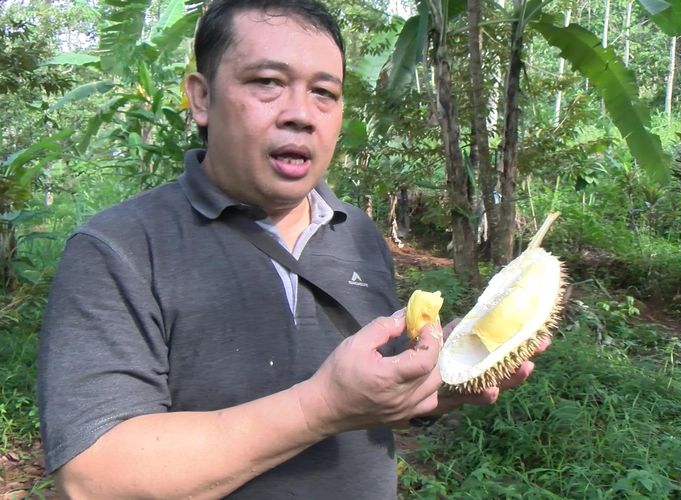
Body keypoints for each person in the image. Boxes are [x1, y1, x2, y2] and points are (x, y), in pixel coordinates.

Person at [37, 0, 549, 497]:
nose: (302, 115)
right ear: (201, 98)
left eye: (325, 92)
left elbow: (374, 393)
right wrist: (320, 406)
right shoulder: (119, 248)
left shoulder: (358, 234)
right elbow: (94, 477)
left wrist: (443, 369)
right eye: (267, 83)